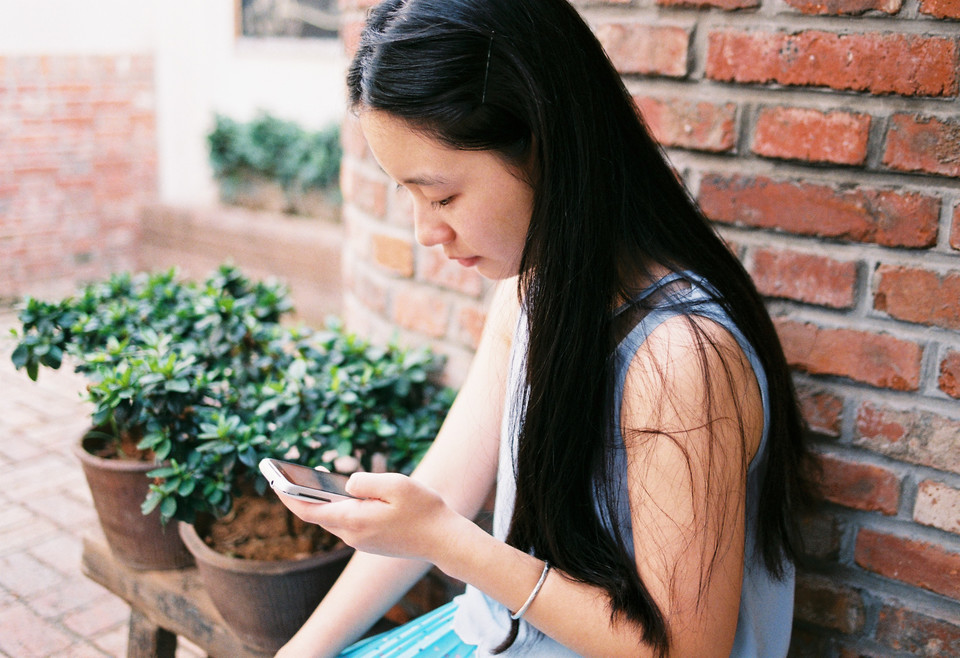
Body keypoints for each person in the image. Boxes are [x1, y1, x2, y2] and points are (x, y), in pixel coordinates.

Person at [273, 0, 813, 655]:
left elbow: (682, 650)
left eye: (442, 196)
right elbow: (443, 487)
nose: (426, 232)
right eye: (408, 196)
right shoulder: (536, 284)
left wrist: (446, 539)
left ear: (541, 145)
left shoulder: (681, 362)